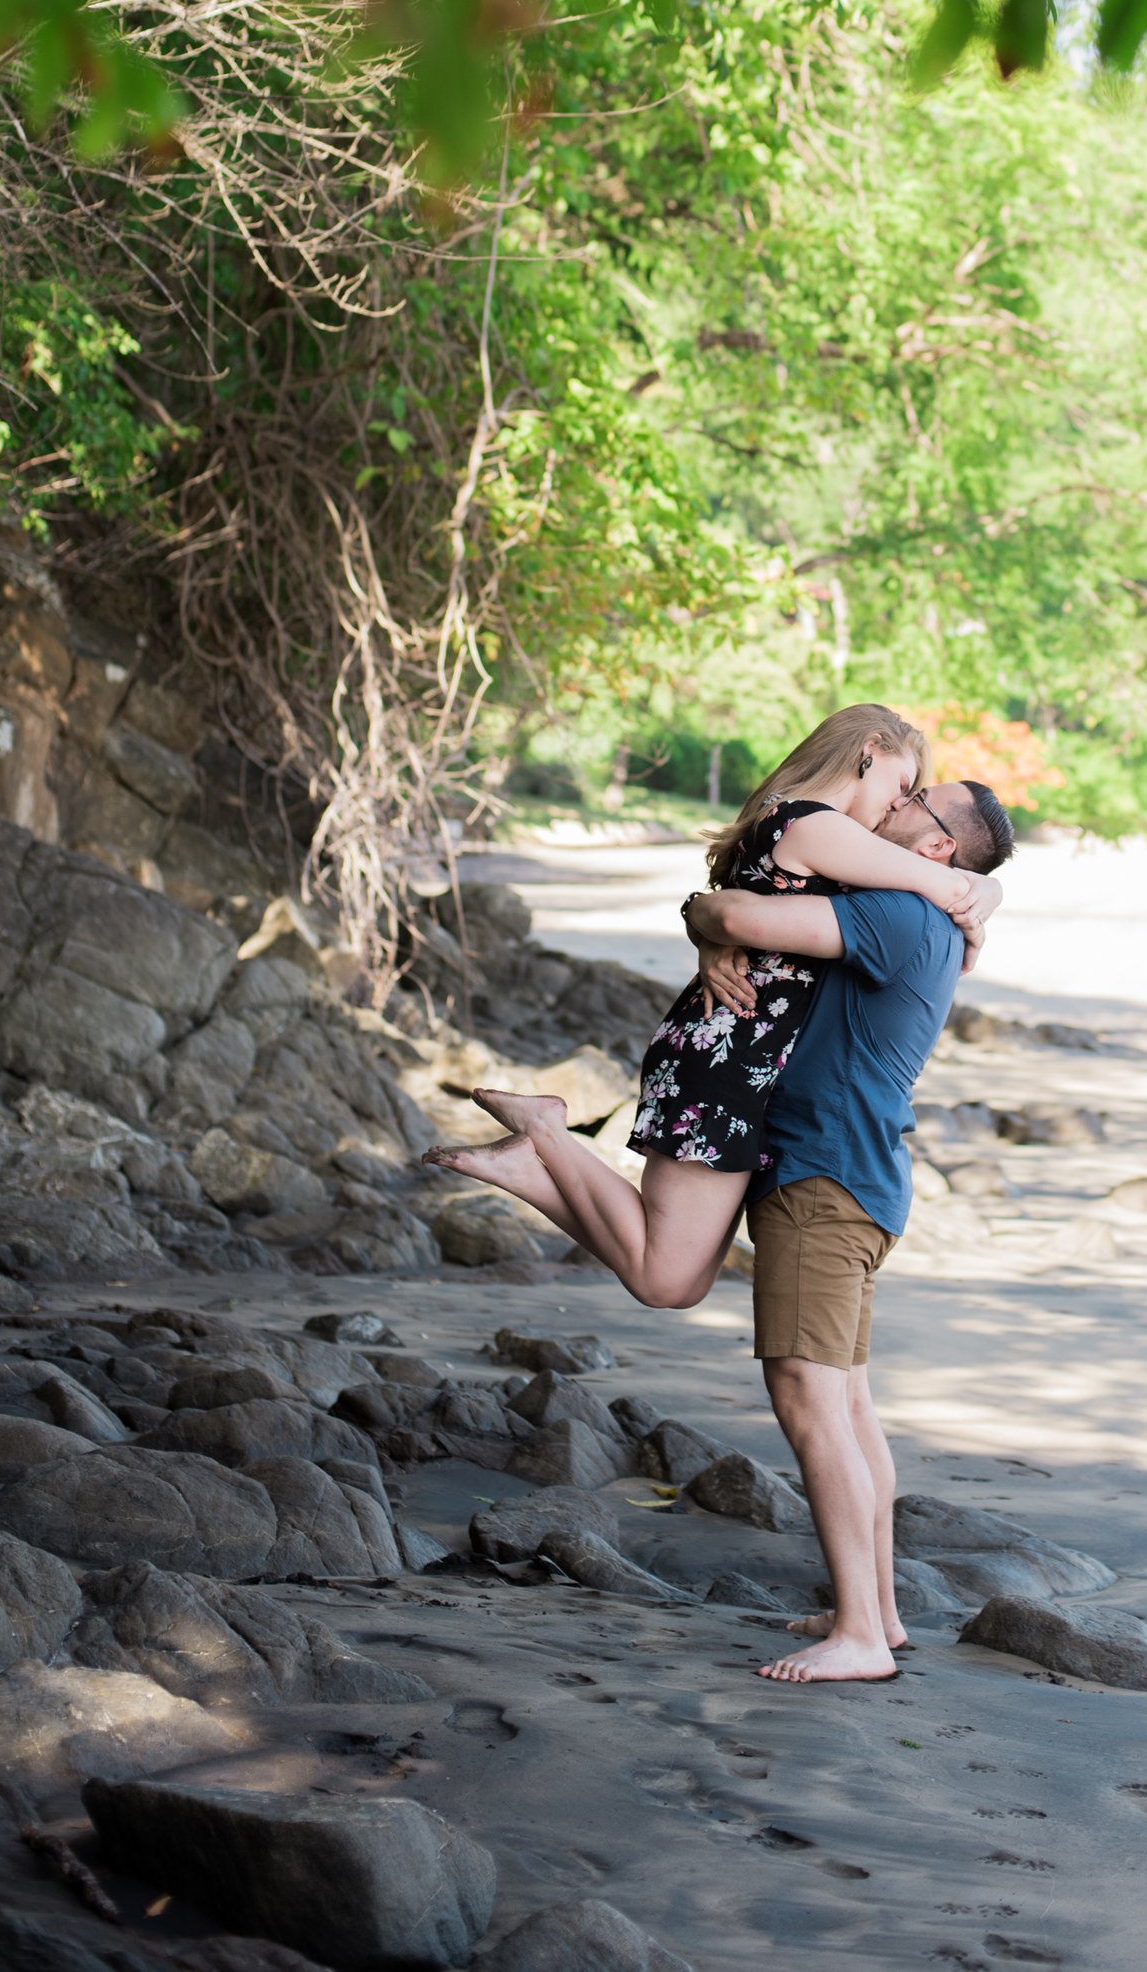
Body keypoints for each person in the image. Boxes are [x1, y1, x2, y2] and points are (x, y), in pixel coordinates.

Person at [423, 704, 1007, 1308]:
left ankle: (533, 1159)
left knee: (679, 1278)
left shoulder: (799, 823)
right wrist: (981, 895)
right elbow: (940, 881)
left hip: (739, 1053)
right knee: (665, 1279)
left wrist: (986, 886)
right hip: (729, 1053)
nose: (896, 803)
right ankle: (545, 1133)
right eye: (902, 784)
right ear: (869, 750)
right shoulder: (815, 825)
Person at [680, 775, 1008, 1683]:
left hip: (824, 1176)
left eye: (916, 804)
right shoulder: (931, 916)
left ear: (939, 847)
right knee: (851, 1405)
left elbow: (741, 918)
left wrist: (712, 925)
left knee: (808, 1396)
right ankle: (880, 1614)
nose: (892, 810)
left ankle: (861, 1634)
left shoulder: (901, 916)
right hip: (859, 1174)